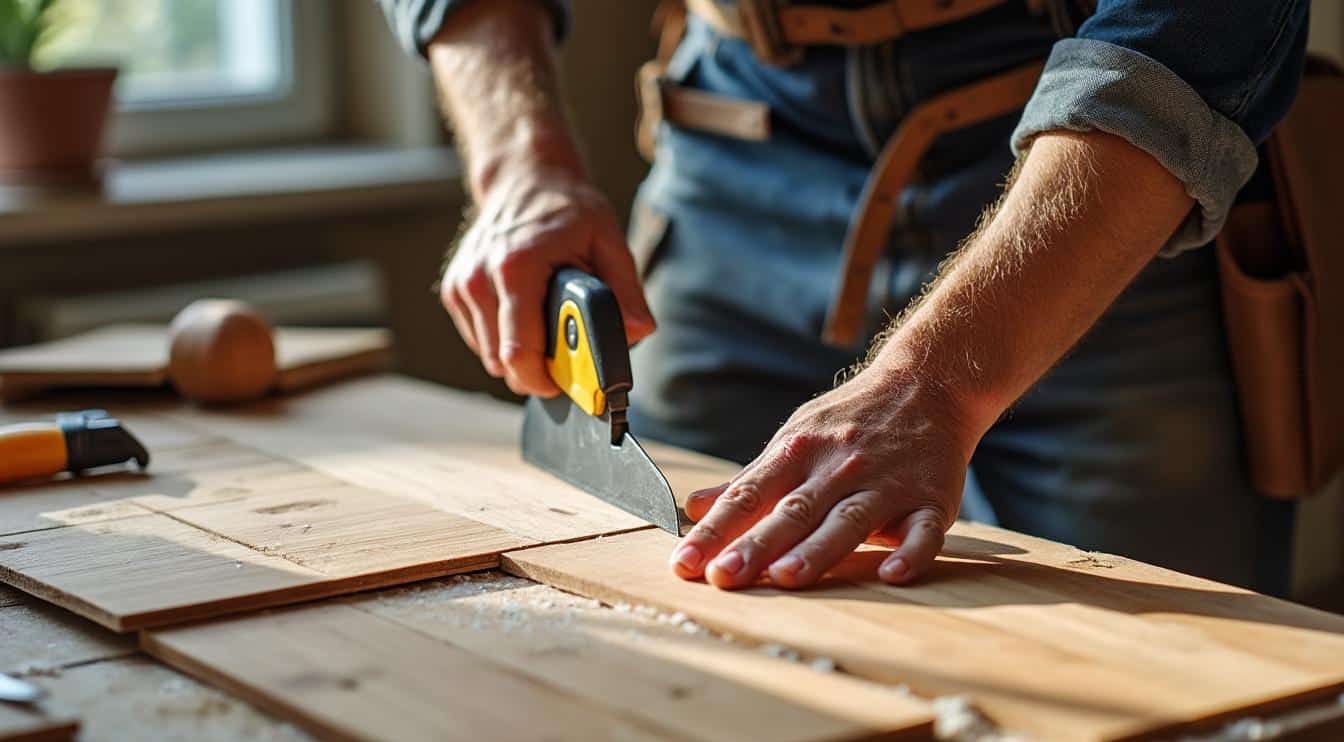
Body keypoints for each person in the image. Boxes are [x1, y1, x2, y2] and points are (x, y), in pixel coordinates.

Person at [378, 0, 1308, 596]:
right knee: (656, 614)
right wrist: (518, 171)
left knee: (1163, 689)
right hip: (732, 135)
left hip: (1092, 159)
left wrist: (941, 379)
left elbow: (1198, 21)